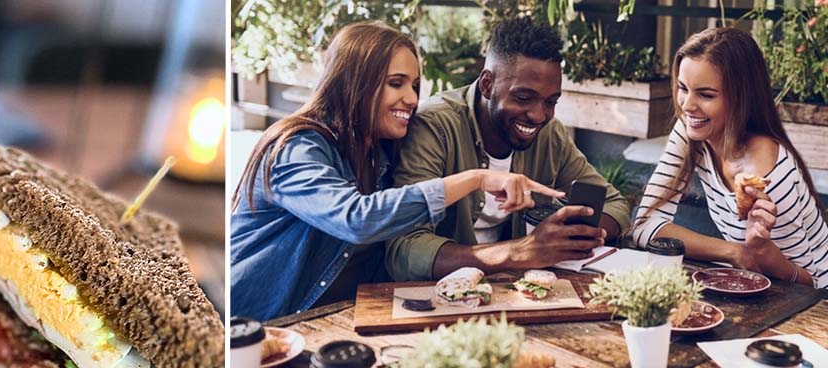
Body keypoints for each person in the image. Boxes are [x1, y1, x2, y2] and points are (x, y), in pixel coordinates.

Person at [230, 21, 561, 322]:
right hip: (255, 328)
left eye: (415, 85)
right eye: (396, 84)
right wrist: (477, 177)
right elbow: (357, 219)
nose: (412, 98)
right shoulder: (295, 148)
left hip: (337, 321)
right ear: (354, 83)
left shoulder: (380, 154)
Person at [386, 17, 632, 281]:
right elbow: (403, 249)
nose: (538, 115)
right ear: (487, 85)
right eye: (523, 98)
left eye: (551, 101)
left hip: (516, 293)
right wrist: (518, 252)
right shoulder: (434, 127)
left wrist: (573, 237)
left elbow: (614, 204)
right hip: (435, 299)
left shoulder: (550, 135)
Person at [625, 27, 828, 286]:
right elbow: (644, 226)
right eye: (683, 88)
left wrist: (764, 251)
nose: (687, 105)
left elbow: (808, 285)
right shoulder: (691, 133)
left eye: (706, 95)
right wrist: (732, 251)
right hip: (753, 289)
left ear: (742, 98)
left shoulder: (772, 177)